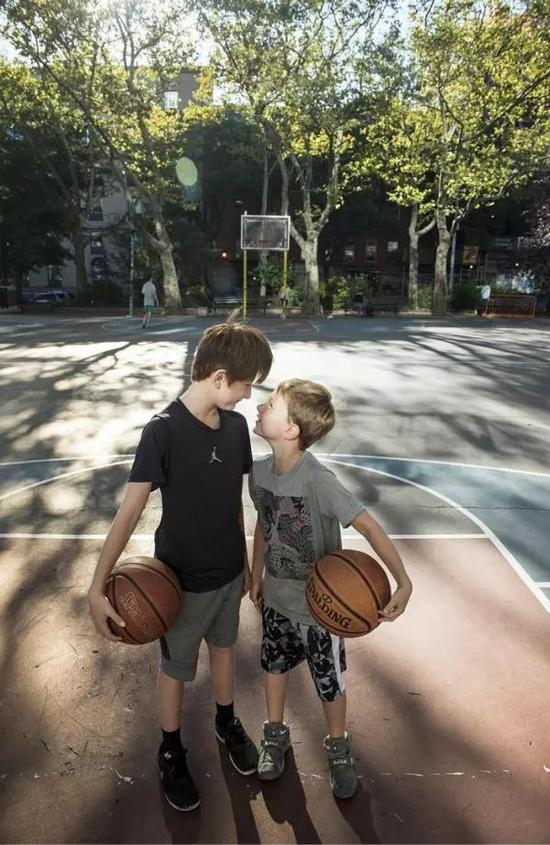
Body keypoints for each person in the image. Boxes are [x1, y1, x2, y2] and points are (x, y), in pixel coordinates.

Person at [87, 316, 273, 812]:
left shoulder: (235, 428)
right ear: (219, 377)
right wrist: (97, 585)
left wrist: (245, 561)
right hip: (180, 583)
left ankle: (227, 721)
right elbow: (130, 510)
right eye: (245, 385)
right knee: (175, 669)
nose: (247, 396)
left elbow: (234, 501)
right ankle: (170, 749)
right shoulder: (163, 431)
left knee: (225, 648)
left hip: (228, 574)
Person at [248, 379, 413, 799]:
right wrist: (256, 573)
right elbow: (265, 524)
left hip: (322, 609)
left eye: (271, 404)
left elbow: (369, 526)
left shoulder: (319, 481)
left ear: (290, 430)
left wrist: (403, 581)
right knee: (273, 667)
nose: (261, 406)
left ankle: (338, 748)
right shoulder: (259, 473)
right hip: (277, 601)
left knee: (330, 684)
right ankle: (275, 734)